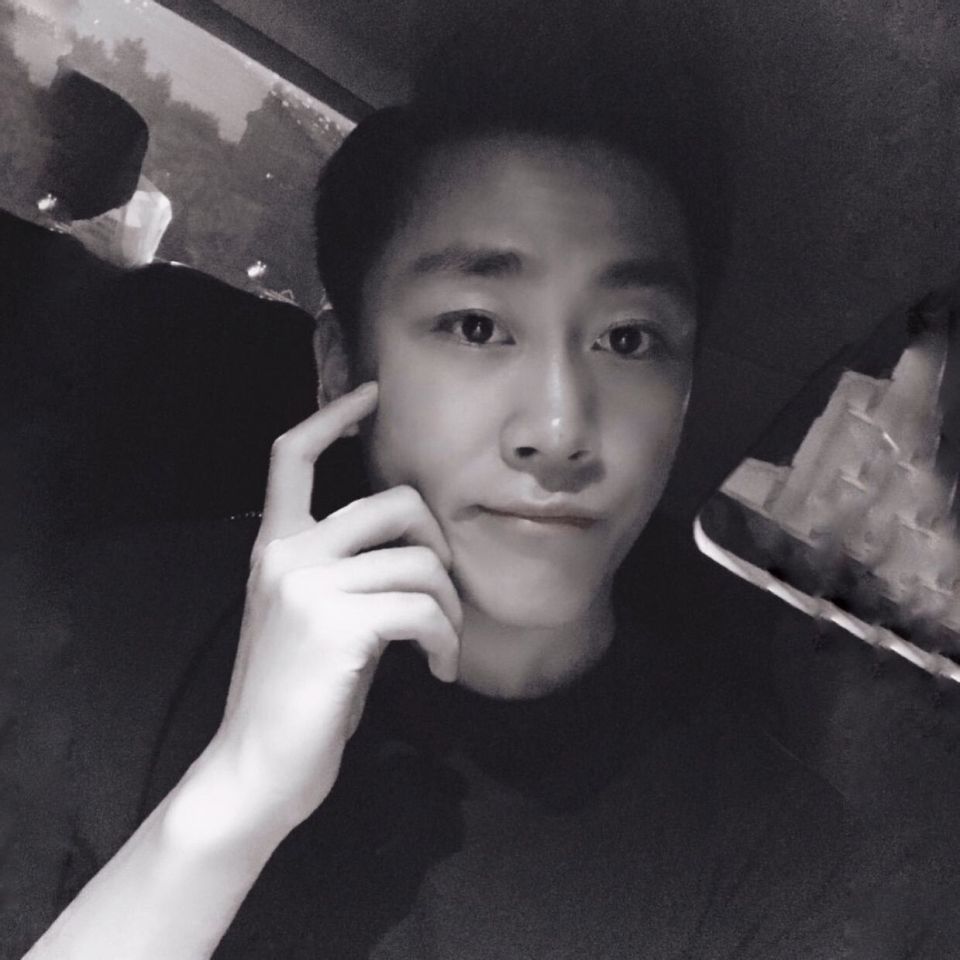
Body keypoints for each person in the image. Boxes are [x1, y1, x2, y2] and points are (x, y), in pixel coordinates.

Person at [19, 33, 951, 960]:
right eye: (476, 326)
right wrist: (228, 803)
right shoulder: (103, 627)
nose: (560, 427)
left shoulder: (775, 855)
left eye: (628, 340)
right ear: (341, 366)